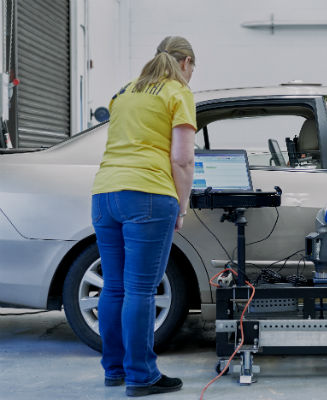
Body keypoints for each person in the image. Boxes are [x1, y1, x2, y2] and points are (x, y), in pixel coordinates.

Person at [91, 36, 197, 396]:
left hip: (104, 193)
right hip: (148, 194)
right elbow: (182, 159)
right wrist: (182, 206)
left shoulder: (123, 92)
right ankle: (142, 376)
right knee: (140, 289)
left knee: (114, 287)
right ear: (185, 64)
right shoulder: (177, 92)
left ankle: (115, 369)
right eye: (192, 69)